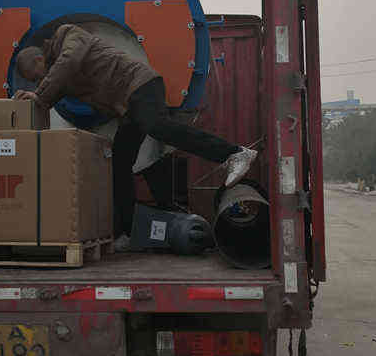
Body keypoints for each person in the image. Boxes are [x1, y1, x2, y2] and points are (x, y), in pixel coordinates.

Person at [14, 23, 257, 247]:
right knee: (119, 162)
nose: (40, 81)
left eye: (37, 76)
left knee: (157, 127)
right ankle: (129, 232)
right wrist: (30, 102)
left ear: (39, 59)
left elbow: (68, 63)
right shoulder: (59, 74)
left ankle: (234, 153)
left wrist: (40, 94)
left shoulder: (69, 35)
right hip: (127, 106)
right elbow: (49, 95)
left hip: (140, 85)